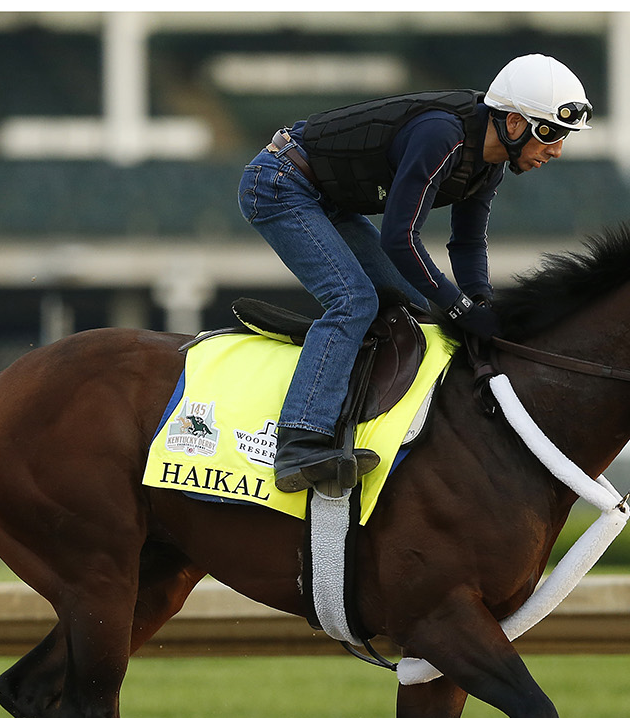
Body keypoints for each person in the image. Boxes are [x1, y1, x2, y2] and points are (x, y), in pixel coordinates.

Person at [237, 53, 593, 493]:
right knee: (354, 300)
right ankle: (301, 441)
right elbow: (400, 239)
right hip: (281, 183)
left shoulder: (490, 164)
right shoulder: (440, 136)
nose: (556, 150)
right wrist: (460, 308)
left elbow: (467, 243)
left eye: (562, 136)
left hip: (329, 199)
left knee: (418, 307)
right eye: (550, 133)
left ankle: (362, 424)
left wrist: (480, 302)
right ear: (515, 123)